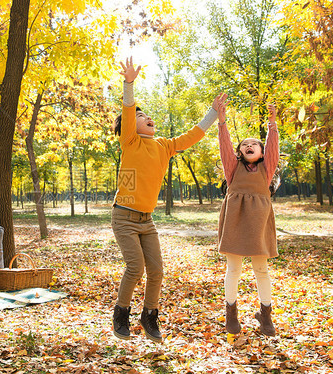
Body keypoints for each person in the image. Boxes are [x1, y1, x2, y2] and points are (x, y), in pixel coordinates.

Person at [111, 57, 227, 342]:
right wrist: (129, 83)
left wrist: (212, 113)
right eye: (140, 117)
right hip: (124, 217)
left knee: (157, 270)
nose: (145, 117)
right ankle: (121, 314)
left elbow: (191, 136)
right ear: (129, 128)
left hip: (147, 220)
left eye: (146, 115)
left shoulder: (163, 145)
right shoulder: (130, 142)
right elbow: (128, 111)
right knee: (135, 267)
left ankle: (150, 316)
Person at [216, 101, 279, 336]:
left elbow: (273, 148)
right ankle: (230, 313)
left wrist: (272, 125)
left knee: (261, 269)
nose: (249, 145)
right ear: (240, 152)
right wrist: (222, 123)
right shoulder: (233, 169)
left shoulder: (266, 169)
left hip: (259, 222)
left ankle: (265, 316)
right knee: (233, 268)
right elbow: (225, 147)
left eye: (254, 144)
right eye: (245, 144)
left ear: (262, 152)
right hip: (235, 219)